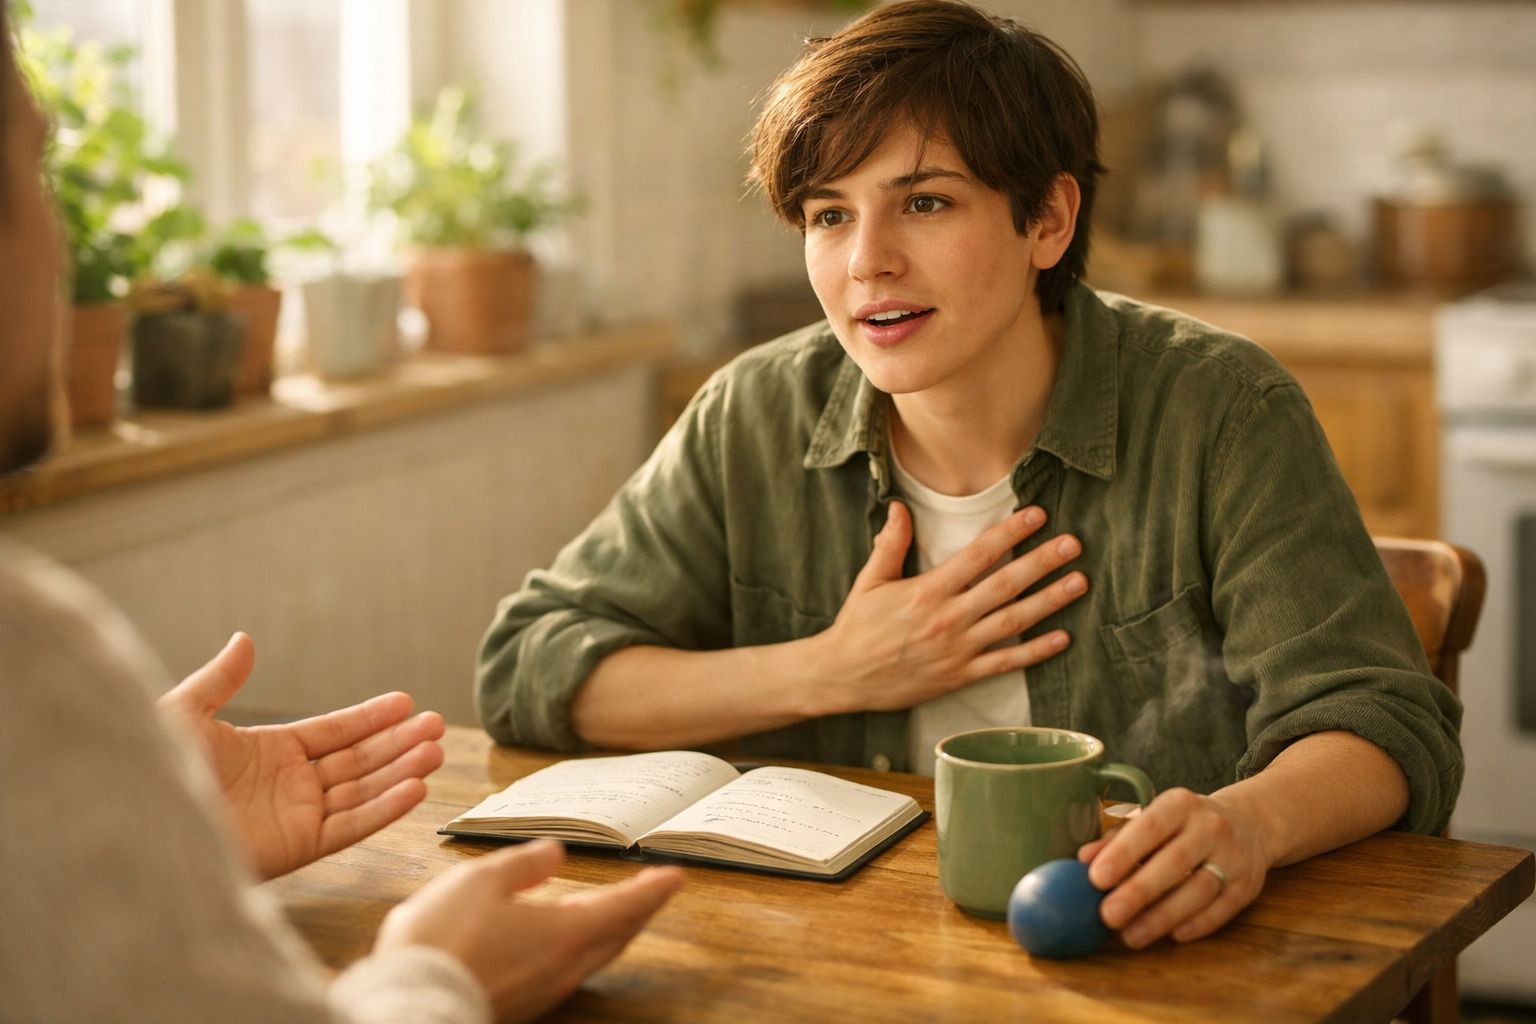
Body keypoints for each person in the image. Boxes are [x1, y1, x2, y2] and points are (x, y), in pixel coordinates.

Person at [476, 0, 1462, 953]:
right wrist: (828, 669)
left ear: (1049, 220)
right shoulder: (753, 413)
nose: (867, 262)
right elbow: (529, 666)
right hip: (840, 959)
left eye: (925, 202)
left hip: (1156, 959)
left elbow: (1382, 721)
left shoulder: (1222, 409)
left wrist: (1247, 823)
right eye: (829, 214)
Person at [0, 6, 683, 1020]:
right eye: (35, 174)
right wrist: (437, 973)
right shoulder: (27, 659)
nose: (59, 241)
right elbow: (523, 661)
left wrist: (132, 825)